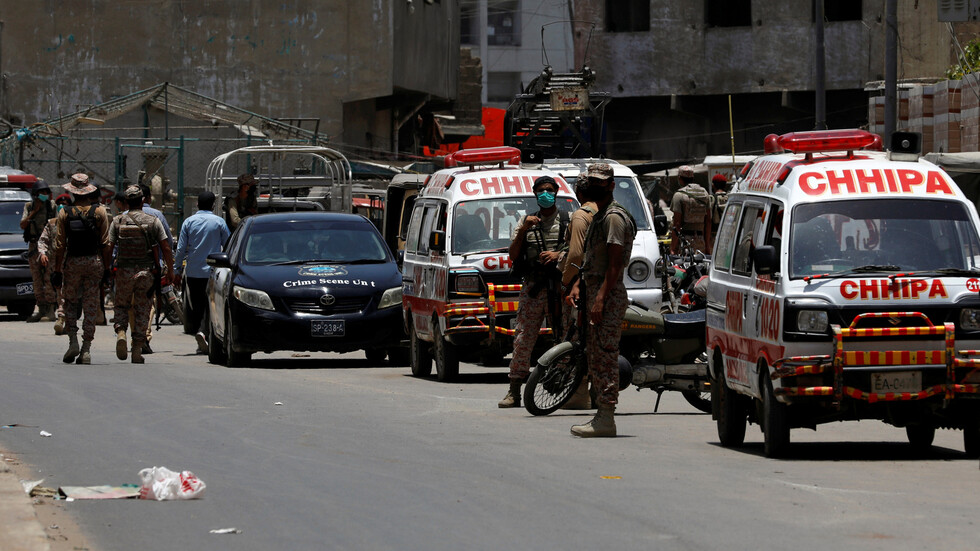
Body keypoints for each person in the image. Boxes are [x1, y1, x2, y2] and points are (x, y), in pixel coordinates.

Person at [567, 163, 636, 437]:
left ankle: (606, 416)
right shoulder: (601, 214)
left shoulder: (613, 218)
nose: (595, 187)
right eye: (591, 182)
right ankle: (601, 413)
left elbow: (615, 265)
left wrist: (600, 299)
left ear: (611, 185)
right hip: (596, 290)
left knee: (606, 356)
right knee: (596, 354)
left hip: (607, 294)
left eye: (600, 183)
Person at [498, 175, 568, 408]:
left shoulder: (567, 220)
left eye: (549, 190)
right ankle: (514, 389)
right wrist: (523, 230)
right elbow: (513, 254)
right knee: (523, 337)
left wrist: (559, 255)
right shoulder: (526, 221)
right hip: (533, 287)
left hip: (559, 287)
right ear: (535, 194)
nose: (545, 194)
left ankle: (562, 385)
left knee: (563, 336)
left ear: (556, 192)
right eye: (541, 191)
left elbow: (578, 249)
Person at [50, 174, 112, 364]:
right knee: (90, 305)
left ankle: (73, 342)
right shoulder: (100, 212)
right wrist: (106, 269)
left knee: (70, 303)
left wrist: (57, 270)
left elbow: (59, 245)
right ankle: (86, 349)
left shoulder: (65, 213)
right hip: (94, 262)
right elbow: (106, 244)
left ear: (72, 191)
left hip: (73, 263)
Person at [108, 185, 174, 363]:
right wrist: (171, 271)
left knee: (121, 306)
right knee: (142, 310)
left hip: (123, 271)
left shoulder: (117, 221)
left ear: (127, 202)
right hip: (146, 272)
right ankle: (137, 350)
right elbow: (166, 247)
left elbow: (109, 247)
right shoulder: (153, 221)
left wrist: (107, 269)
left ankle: (121, 332)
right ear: (143, 200)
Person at [556, 173, 598, 410]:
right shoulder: (604, 213)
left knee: (574, 338)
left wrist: (567, 282)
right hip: (599, 285)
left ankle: (578, 393)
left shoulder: (581, 216)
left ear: (579, 193)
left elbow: (575, 256)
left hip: (580, 287)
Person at [174, 191, 230, 354]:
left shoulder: (189, 222)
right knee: (210, 304)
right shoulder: (219, 222)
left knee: (197, 305)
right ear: (213, 205)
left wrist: (177, 269)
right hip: (213, 272)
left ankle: (202, 335)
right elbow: (228, 244)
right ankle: (204, 333)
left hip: (193, 272)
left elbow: (181, 249)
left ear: (197, 204)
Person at [20, 180, 57, 323]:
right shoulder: (29, 207)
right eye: (41, 193)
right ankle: (41, 309)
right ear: (35, 195)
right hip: (34, 245)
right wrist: (34, 212)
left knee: (49, 278)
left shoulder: (51, 206)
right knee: (36, 279)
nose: (44, 195)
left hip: (48, 246)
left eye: (46, 192)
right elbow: (22, 225)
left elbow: (56, 223)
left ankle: (50, 310)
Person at [37, 193, 71, 333]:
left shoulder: (73, 221)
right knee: (58, 289)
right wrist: (43, 253)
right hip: (54, 262)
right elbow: (43, 240)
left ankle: (66, 317)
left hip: (70, 262)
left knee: (68, 290)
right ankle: (61, 316)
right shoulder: (51, 224)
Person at [670, 165, 712, 254]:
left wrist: (673, 248)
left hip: (685, 241)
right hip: (700, 241)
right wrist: (707, 245)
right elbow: (708, 221)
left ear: (679, 178)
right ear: (693, 178)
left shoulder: (679, 195)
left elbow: (677, 224)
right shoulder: (704, 193)